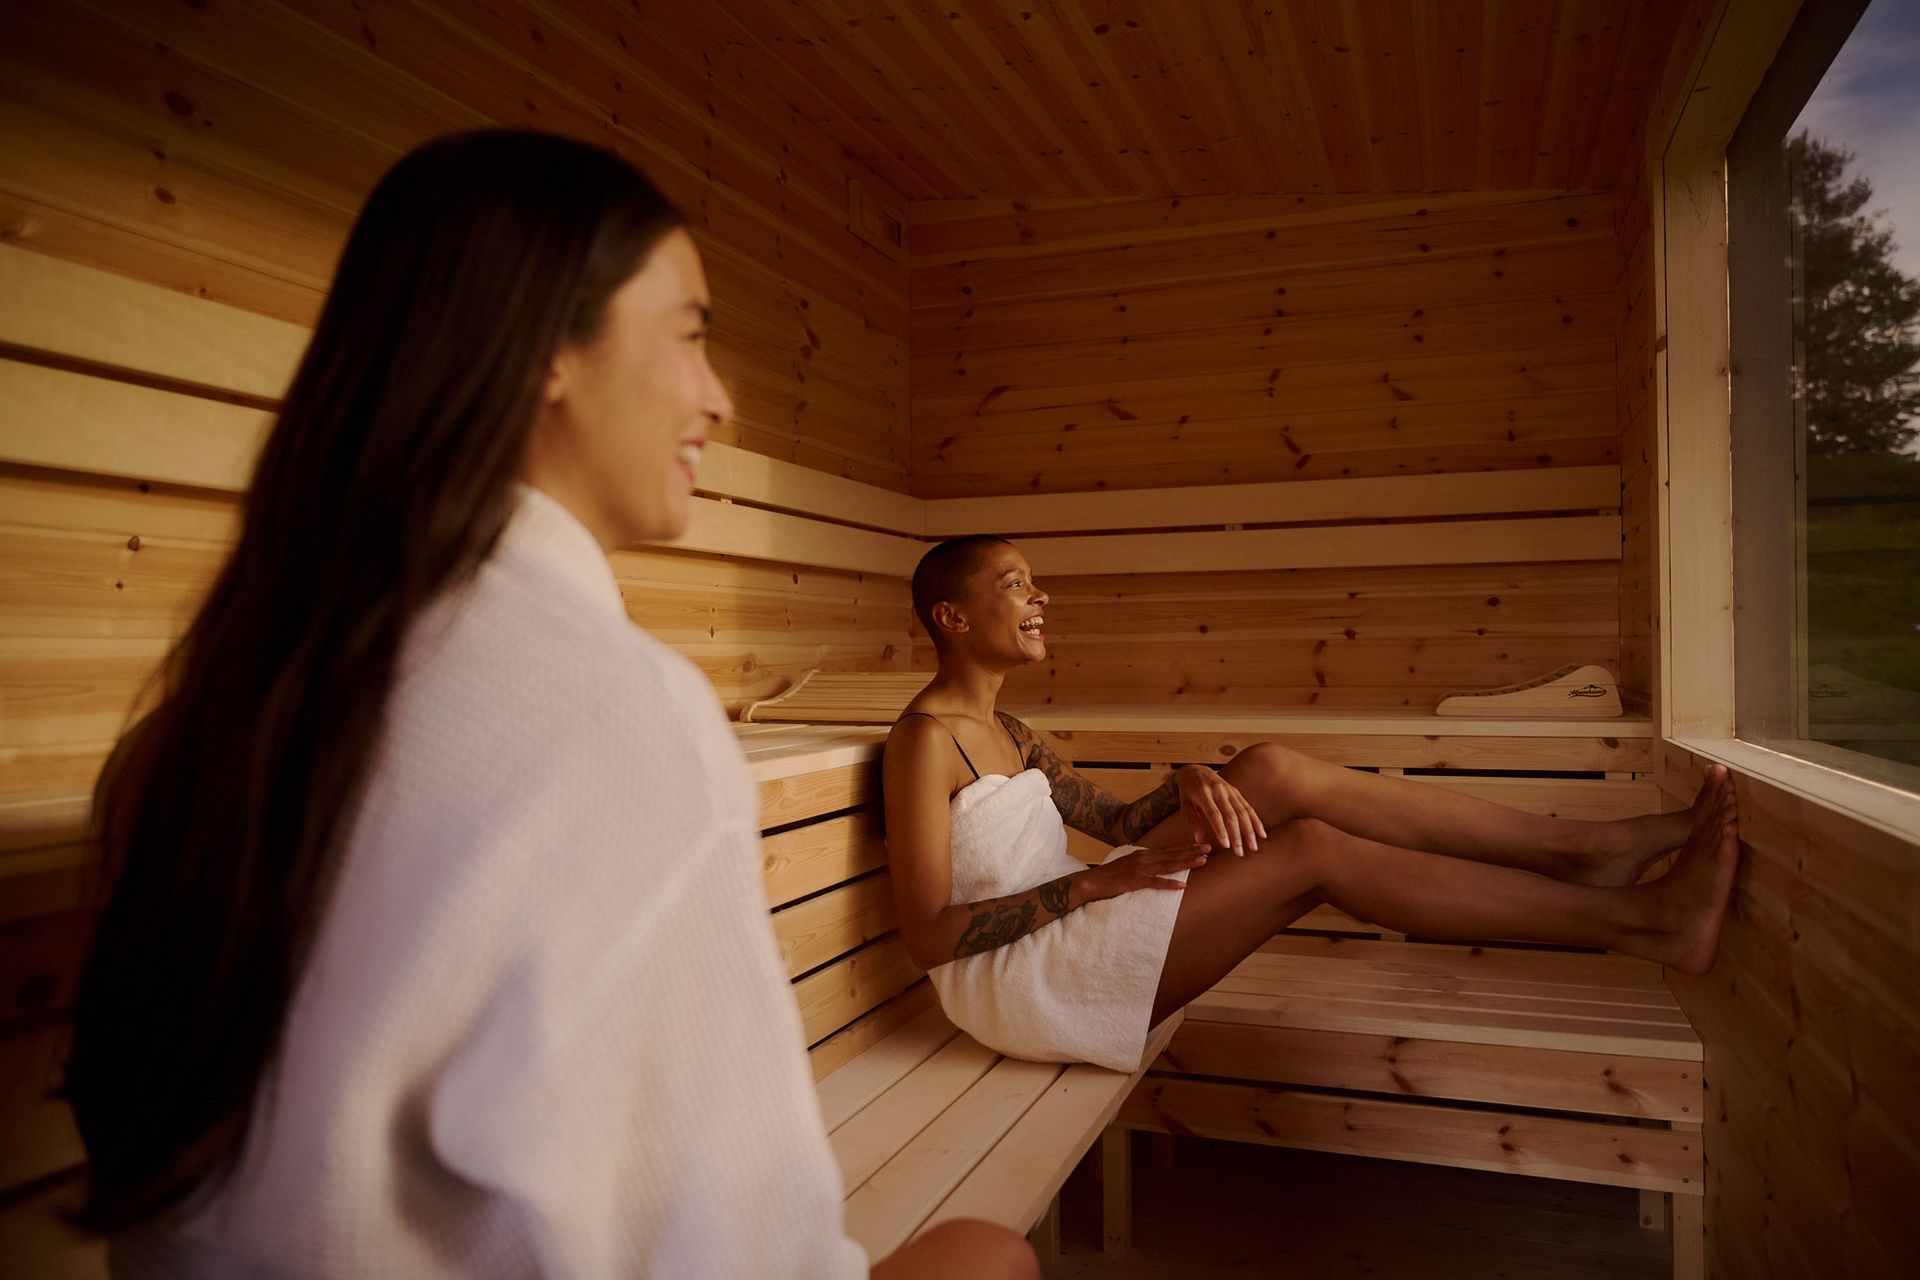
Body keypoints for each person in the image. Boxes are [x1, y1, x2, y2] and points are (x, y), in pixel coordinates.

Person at [66, 130, 1034, 1279]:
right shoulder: (618, 718)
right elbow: (734, 1248)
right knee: (986, 1257)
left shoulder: (207, 718)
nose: (719, 399)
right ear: (545, 355)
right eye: (688, 334)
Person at [883, 535, 1741, 1076]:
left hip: (1072, 912)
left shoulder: (1010, 729)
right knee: (1314, 850)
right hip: (1019, 980)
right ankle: (1643, 922)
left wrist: (1187, 775)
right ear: (953, 616)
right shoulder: (924, 741)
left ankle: (1585, 850)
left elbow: (1115, 826)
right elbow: (927, 936)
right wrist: (1094, 891)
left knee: (1269, 769)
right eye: (1015, 584)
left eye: (1036, 583)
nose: (1041, 598)